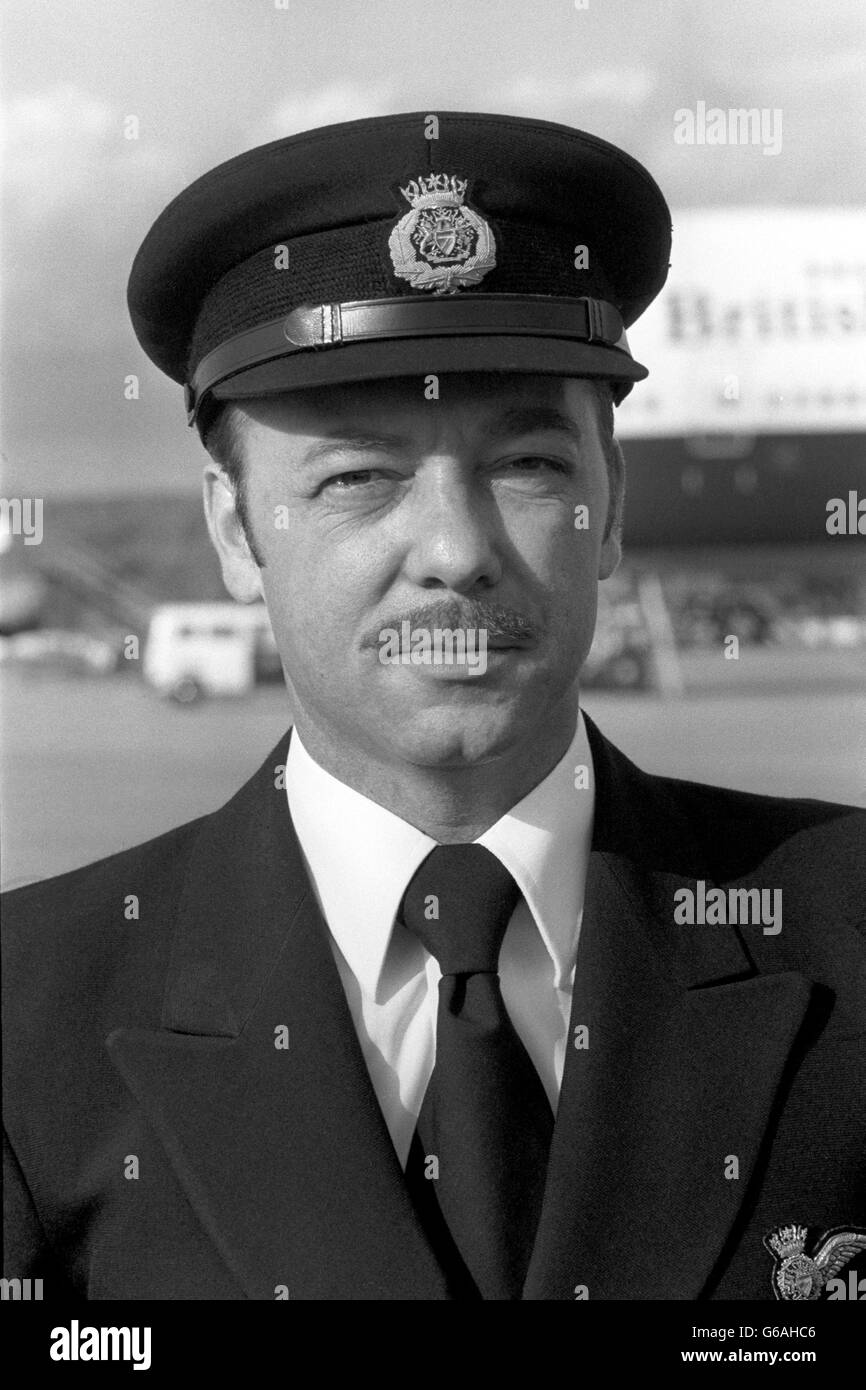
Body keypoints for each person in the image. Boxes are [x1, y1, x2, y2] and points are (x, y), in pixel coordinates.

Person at [3, 111, 864, 1303]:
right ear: (236, 531)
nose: (456, 551)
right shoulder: (25, 1018)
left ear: (609, 509)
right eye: (357, 477)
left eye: (527, 465)